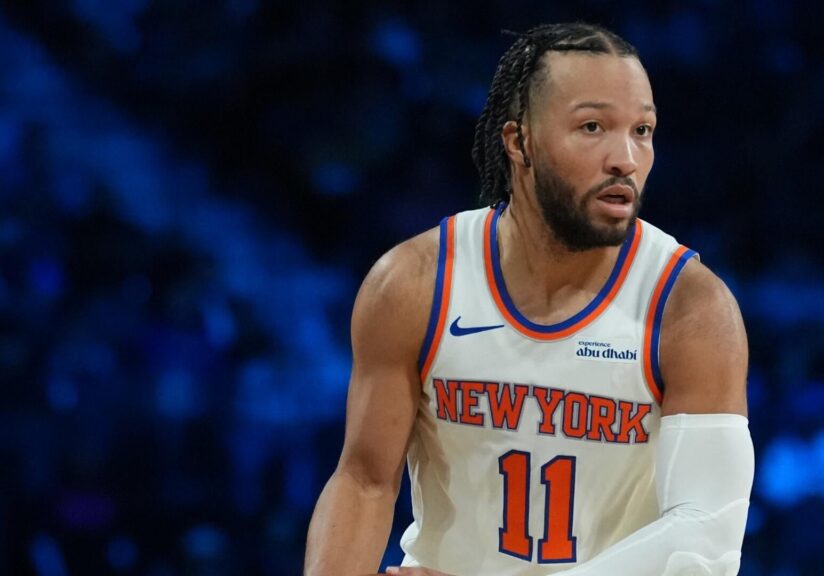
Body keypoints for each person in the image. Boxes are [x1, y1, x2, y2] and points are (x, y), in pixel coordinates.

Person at [305, 22, 754, 576]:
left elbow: (706, 538)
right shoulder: (415, 282)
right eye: (593, 127)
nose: (626, 158)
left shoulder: (691, 307)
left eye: (642, 130)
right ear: (519, 142)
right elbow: (365, 479)